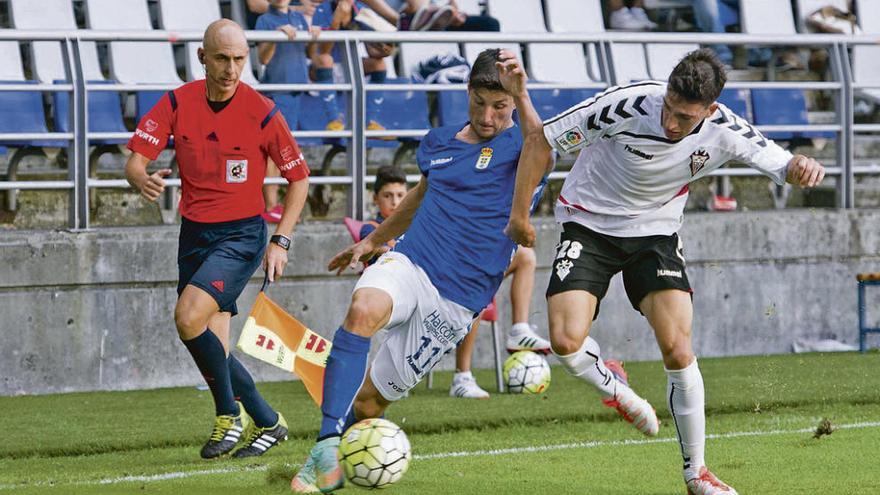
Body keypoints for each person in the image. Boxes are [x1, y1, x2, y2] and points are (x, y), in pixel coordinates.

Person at [506, 48, 826, 495]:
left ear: (710, 111)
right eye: (670, 110)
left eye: (686, 118)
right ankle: (617, 388)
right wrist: (520, 216)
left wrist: (802, 168)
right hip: (588, 222)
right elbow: (542, 139)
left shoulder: (725, 129)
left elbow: (783, 164)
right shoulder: (627, 105)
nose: (672, 124)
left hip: (655, 233)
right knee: (563, 340)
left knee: (677, 348)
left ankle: (697, 473)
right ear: (666, 92)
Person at [289, 48, 552, 493]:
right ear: (467, 94)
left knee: (372, 403)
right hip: (413, 261)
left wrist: (522, 96)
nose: (487, 116)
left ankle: (344, 456)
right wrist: (373, 240)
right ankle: (327, 444)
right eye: (479, 103)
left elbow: (540, 146)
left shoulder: (524, 146)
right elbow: (419, 196)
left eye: (499, 106)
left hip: (456, 301)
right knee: (363, 308)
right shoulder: (439, 143)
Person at [124, 19, 310, 459]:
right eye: (223, 58)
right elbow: (135, 163)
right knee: (214, 343)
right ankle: (268, 421)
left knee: (188, 317)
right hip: (194, 234)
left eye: (240, 59)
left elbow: (299, 179)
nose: (231, 69)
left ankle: (229, 414)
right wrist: (141, 179)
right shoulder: (176, 102)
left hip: (243, 235)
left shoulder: (262, 110)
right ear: (202, 57)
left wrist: (281, 240)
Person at [360, 165, 552, 399]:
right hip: (398, 297)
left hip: (439, 283)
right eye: (387, 196)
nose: (395, 201)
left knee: (519, 260)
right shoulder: (370, 229)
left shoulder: (419, 220)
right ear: (375, 198)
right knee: (470, 288)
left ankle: (513, 334)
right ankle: (452, 375)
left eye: (400, 195)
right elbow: (386, 251)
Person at [255, 0, 320, 223]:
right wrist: (276, 35)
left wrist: (313, 34)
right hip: (276, 92)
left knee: (286, 151)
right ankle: (270, 205)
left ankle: (275, 205)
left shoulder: (299, 18)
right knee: (273, 152)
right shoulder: (264, 20)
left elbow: (310, 53)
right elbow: (262, 58)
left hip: (295, 91)